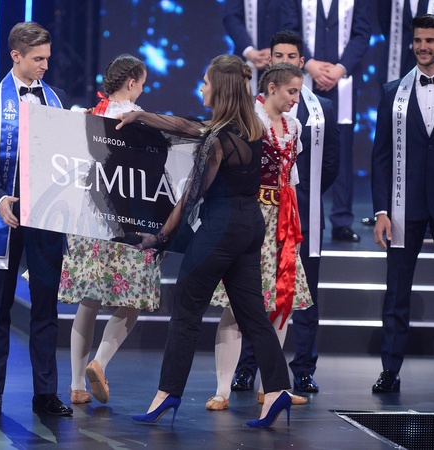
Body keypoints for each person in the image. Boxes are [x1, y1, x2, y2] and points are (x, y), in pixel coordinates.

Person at [117, 54, 293, 427]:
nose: (201, 87)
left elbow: (191, 196)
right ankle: (278, 389)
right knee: (252, 314)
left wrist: (160, 237)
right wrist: (143, 117)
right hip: (250, 227)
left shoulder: (216, 141)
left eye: (206, 82)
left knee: (186, 311)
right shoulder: (250, 128)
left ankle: (167, 394)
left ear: (220, 90)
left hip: (221, 230)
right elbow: (190, 125)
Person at [228, 30, 341, 399]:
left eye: (292, 56)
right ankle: (246, 369)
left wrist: (303, 197)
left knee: (296, 292)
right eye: (279, 55)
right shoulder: (251, 112)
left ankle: (301, 371)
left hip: (298, 210)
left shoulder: (318, 110)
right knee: (253, 292)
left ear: (301, 61)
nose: (285, 61)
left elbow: (331, 163)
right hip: (257, 212)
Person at [0, 21, 73, 417]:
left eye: (47, 58)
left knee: (45, 307)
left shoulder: (58, 99)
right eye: (37, 59)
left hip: (46, 217)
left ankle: (45, 392)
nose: (45, 66)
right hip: (7, 216)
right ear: (16, 56)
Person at [206, 62, 316, 410]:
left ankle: (273, 385)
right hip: (251, 216)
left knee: (282, 302)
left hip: (282, 219)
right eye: (291, 91)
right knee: (237, 306)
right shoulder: (249, 121)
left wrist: (292, 221)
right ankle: (222, 389)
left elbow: (290, 177)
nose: (296, 99)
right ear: (271, 88)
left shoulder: (294, 126)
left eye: (298, 92)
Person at [370, 14, 434, 394]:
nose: (422, 47)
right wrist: (381, 211)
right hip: (402, 206)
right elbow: (380, 155)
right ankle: (389, 370)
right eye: (418, 40)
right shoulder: (392, 92)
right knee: (396, 294)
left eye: (430, 40)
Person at [59, 54, 160, 405]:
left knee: (88, 301)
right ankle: (99, 363)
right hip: (127, 224)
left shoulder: (87, 116)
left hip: (88, 223)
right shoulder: (139, 122)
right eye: (142, 83)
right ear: (131, 83)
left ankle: (76, 385)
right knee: (132, 300)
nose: (142, 90)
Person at [281, 0, 372, 243]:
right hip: (302, 78)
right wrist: (309, 63)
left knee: (340, 151)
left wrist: (341, 68)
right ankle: (295, 213)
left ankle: (341, 220)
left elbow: (362, 32)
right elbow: (290, 27)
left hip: (343, 81)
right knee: (297, 147)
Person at [223, 0, 286, 94]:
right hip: (245, 62)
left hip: (284, 65)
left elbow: (293, 21)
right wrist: (249, 51)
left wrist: (279, 50)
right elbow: (231, 17)